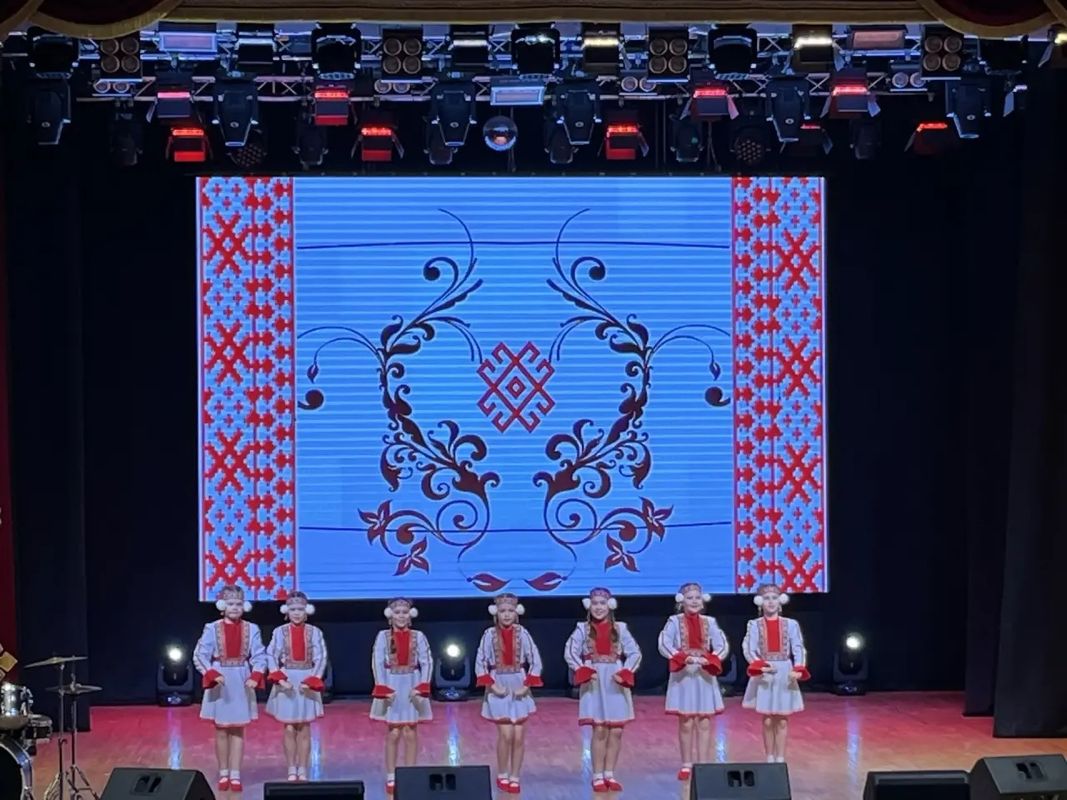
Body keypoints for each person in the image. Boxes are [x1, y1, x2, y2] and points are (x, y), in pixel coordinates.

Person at [564, 587, 642, 793]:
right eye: (595, 604)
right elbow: (570, 652)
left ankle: (610, 773)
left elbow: (635, 653)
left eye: (602, 603)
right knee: (599, 729)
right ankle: (597, 775)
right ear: (589, 606)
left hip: (615, 680)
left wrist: (626, 671)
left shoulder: (621, 628)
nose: (599, 608)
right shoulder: (582, 629)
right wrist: (582, 670)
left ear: (610, 605)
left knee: (616, 730)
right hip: (595, 681)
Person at [193, 585, 267, 794]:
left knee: (238, 729)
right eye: (231, 604)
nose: (235, 608)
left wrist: (255, 674)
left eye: (238, 604)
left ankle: (235, 774)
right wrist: (211, 673)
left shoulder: (252, 629)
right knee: (221, 729)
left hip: (241, 678)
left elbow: (259, 655)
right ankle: (223, 772)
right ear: (222, 606)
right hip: (221, 680)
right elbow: (199, 654)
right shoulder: (212, 628)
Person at [657, 582, 729, 782]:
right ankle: (686, 763)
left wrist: (712, 658)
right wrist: (681, 657)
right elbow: (664, 643)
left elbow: (722, 644)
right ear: (682, 601)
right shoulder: (674, 621)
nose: (694, 601)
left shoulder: (710, 622)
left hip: (704, 674)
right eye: (690, 598)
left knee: (704, 720)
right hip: (684, 674)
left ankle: (703, 764)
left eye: (697, 597)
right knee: (686, 721)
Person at [474, 593, 544, 795]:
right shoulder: (489, 634)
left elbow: (535, 659)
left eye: (510, 611)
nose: (506, 615)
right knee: (505, 734)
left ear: (516, 612)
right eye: (503, 611)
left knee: (518, 736)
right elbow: (481, 660)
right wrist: (491, 685)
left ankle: (515, 776)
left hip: (518, 683)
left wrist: (527, 684)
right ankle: (502, 773)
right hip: (498, 684)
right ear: (496, 613)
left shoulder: (523, 633)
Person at [369, 598, 432, 797]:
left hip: (411, 683)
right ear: (391, 615)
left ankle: (410, 773)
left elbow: (427, 661)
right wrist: (382, 687)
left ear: (410, 615)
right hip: (392, 684)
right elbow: (377, 661)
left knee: (410, 731)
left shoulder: (418, 636)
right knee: (394, 732)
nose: (401, 616)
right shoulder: (383, 636)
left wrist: (423, 685)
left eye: (405, 612)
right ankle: (391, 774)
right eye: (397, 613)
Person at [741, 583, 809, 763]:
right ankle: (769, 757)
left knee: (782, 718)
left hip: (784, 672)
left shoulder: (791, 624)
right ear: (760, 602)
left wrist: (798, 668)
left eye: (774, 598)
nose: (770, 602)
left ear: (780, 601)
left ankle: (780, 757)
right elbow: (749, 648)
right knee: (768, 719)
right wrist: (760, 666)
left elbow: (798, 647)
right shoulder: (754, 625)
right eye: (766, 599)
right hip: (766, 672)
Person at [265, 591, 328, 781]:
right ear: (287, 611)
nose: (297, 613)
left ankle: (303, 768)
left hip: (306, 678)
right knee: (289, 727)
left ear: (307, 611)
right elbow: (271, 655)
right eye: (293, 609)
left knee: (304, 727)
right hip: (287, 680)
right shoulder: (279, 632)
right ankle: (291, 767)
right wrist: (279, 679)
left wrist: (313, 679)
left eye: (300, 609)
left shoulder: (315, 632)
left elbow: (321, 657)